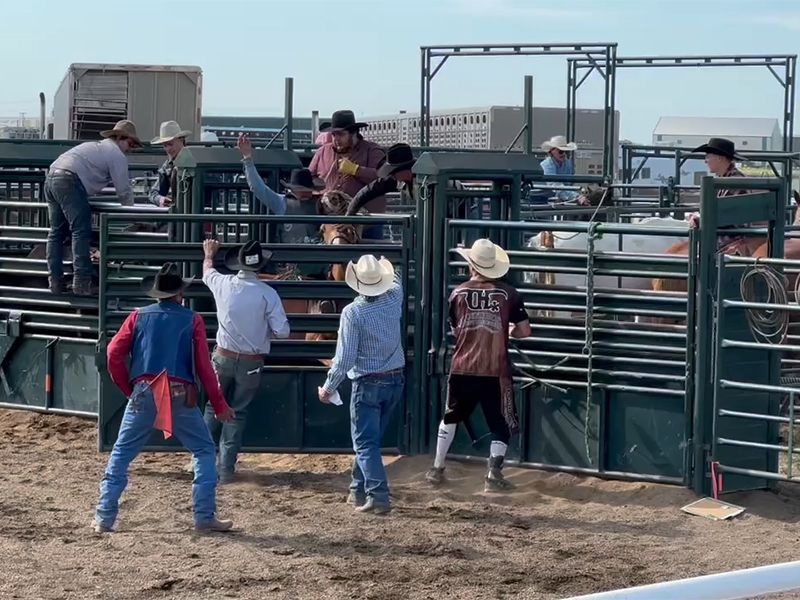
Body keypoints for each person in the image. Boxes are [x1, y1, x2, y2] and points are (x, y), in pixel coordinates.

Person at [95, 263, 235, 533]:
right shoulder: (191, 319)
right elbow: (205, 367)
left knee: (122, 453)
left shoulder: (137, 316)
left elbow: (113, 353)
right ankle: (204, 516)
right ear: (179, 294)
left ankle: (104, 517)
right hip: (179, 392)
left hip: (143, 390)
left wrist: (130, 387)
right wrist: (219, 404)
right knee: (204, 450)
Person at [425, 239, 531, 492]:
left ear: (471, 265)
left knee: (450, 417)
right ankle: (493, 474)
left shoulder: (457, 294)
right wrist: (508, 332)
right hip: (495, 368)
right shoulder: (508, 294)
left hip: (463, 365)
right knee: (500, 423)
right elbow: (525, 331)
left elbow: (455, 330)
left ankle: (437, 468)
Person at [318, 255, 405, 514]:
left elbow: (344, 359)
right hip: (395, 378)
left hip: (368, 382)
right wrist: (386, 263)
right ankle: (357, 489)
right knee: (370, 439)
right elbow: (397, 279)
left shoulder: (352, 313)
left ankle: (377, 495)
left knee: (366, 442)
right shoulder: (394, 298)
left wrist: (328, 387)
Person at [202, 239, 291, 482]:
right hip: (251, 362)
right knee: (237, 412)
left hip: (223, 355)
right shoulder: (267, 294)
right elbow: (282, 331)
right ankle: (226, 469)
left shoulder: (223, 283)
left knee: (213, 407)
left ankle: (201, 464)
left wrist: (209, 254)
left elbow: (207, 272)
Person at [45, 120, 141, 295]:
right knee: (80, 231)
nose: (130, 148)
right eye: (130, 143)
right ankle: (82, 283)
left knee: (56, 232)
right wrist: (133, 213)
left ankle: (55, 281)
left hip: (52, 176)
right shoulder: (116, 155)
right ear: (120, 138)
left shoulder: (95, 147)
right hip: (70, 181)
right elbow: (123, 190)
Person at [237, 133, 324, 245]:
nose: (306, 193)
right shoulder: (282, 202)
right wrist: (247, 159)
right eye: (303, 189)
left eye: (307, 190)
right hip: (289, 257)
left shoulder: (320, 204)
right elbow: (258, 188)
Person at [310, 110, 384, 239]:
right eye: (333, 134)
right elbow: (309, 178)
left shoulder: (371, 150)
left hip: (365, 220)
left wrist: (357, 170)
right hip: (329, 221)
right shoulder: (323, 152)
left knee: (370, 256)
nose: (336, 139)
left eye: (340, 134)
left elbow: (384, 177)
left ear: (354, 133)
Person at [686, 137, 749, 230]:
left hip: (730, 237)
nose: (705, 161)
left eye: (708, 156)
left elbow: (723, 216)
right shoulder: (728, 178)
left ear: (719, 158)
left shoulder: (733, 181)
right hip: (727, 235)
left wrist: (698, 219)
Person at [346, 142, 416, 219]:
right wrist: (349, 214)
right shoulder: (395, 181)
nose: (392, 176)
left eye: (393, 172)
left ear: (405, 169)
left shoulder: (426, 181)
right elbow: (367, 191)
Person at [149, 120, 192, 208]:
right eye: (165, 145)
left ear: (181, 140)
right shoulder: (168, 165)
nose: (168, 149)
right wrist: (160, 199)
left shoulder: (196, 161)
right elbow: (153, 193)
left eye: (170, 144)